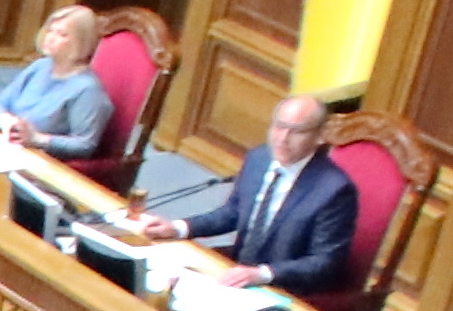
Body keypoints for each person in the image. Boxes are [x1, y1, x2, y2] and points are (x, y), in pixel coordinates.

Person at [152, 91, 359, 294]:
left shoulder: (334, 190)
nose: (283, 138)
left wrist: (263, 274)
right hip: (239, 269)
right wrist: (179, 228)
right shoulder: (259, 158)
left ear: (319, 136)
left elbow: (324, 262)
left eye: (297, 131)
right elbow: (233, 212)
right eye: (279, 126)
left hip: (286, 288)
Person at [0, 4, 116, 166]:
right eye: (50, 30)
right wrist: (5, 121)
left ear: (82, 41)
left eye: (61, 34)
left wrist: (37, 139)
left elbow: (85, 145)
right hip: (6, 147)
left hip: (41, 164)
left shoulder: (87, 90)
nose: (50, 38)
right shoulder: (40, 66)